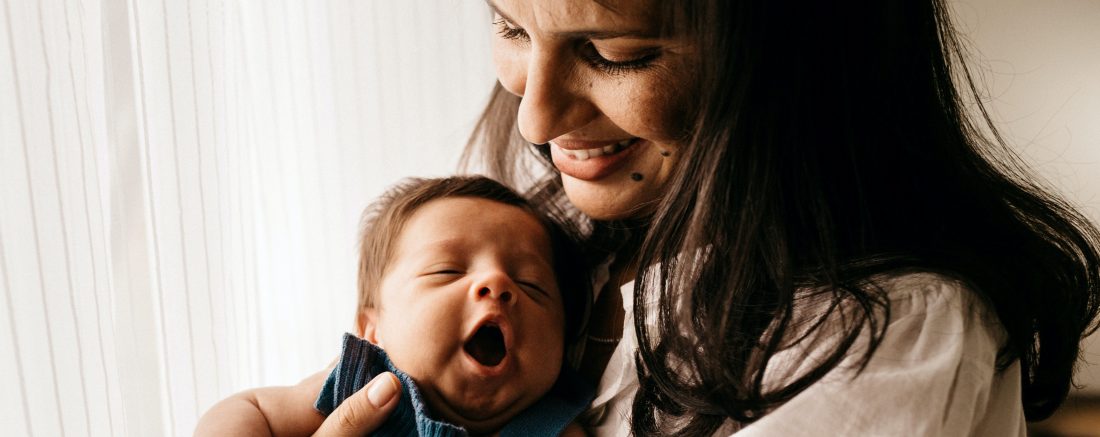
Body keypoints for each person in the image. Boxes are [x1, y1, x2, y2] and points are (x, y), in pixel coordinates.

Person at [220, 0, 1100, 435]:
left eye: (616, 53)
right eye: (510, 24)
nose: (532, 120)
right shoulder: (563, 232)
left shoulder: (886, 338)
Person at [194, 176, 593, 436]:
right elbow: (250, 407)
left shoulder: (556, 426)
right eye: (447, 270)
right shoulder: (358, 386)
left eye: (532, 284)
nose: (498, 283)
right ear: (373, 330)